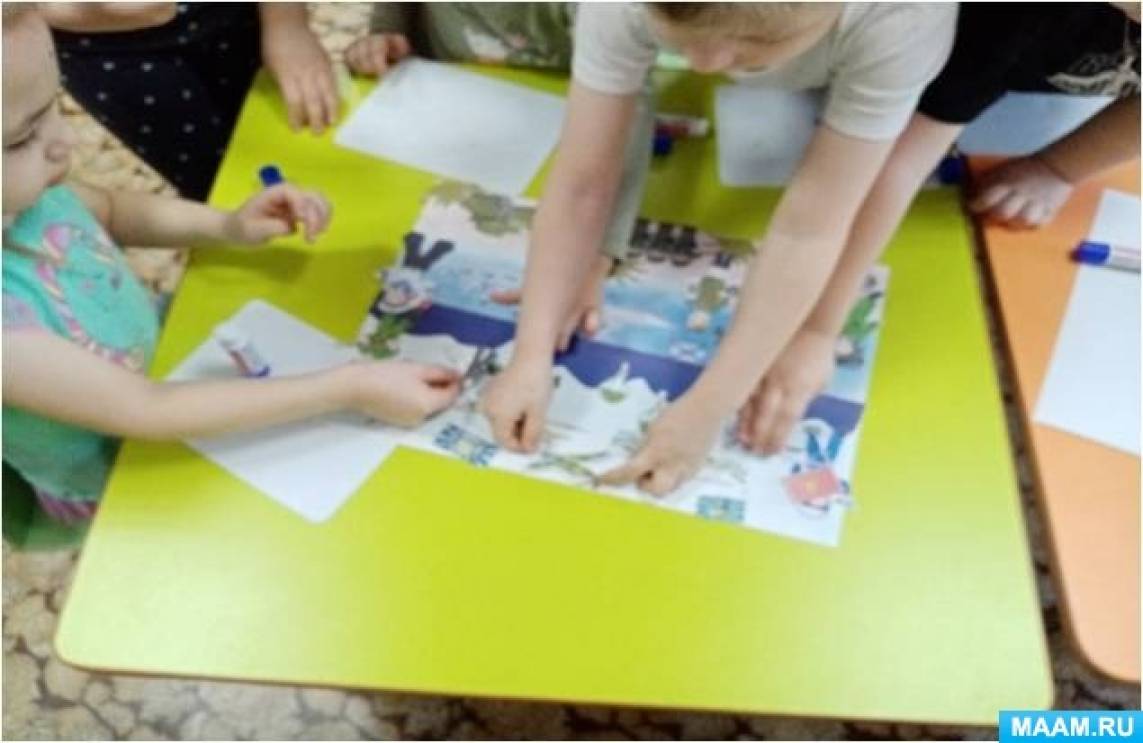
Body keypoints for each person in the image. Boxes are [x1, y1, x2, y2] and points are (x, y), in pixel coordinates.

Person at [2, 5, 460, 525]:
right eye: (21, 137)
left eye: (53, 106)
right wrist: (347, 388)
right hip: (124, 473)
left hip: (162, 362)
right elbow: (148, 409)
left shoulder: (29, 193)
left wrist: (228, 225)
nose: (65, 141)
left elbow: (109, 210)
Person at [481, 2, 956, 495]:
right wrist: (529, 353)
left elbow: (810, 227)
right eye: (677, 32)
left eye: (754, 44)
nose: (703, 64)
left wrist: (710, 409)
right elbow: (582, 184)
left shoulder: (904, 18)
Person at [737, 1, 1140, 455]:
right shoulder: (1006, 15)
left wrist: (1059, 169)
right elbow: (898, 162)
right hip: (948, 71)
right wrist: (817, 327)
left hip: (1041, 103)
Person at [344, 2, 655, 293]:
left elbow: (627, 99)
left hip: (567, 134)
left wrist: (601, 250)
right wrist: (385, 32)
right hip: (434, 123)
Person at [46, 2, 341, 200]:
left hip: (231, 13)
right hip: (104, 50)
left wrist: (287, 23)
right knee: (217, 179)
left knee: (293, 125)